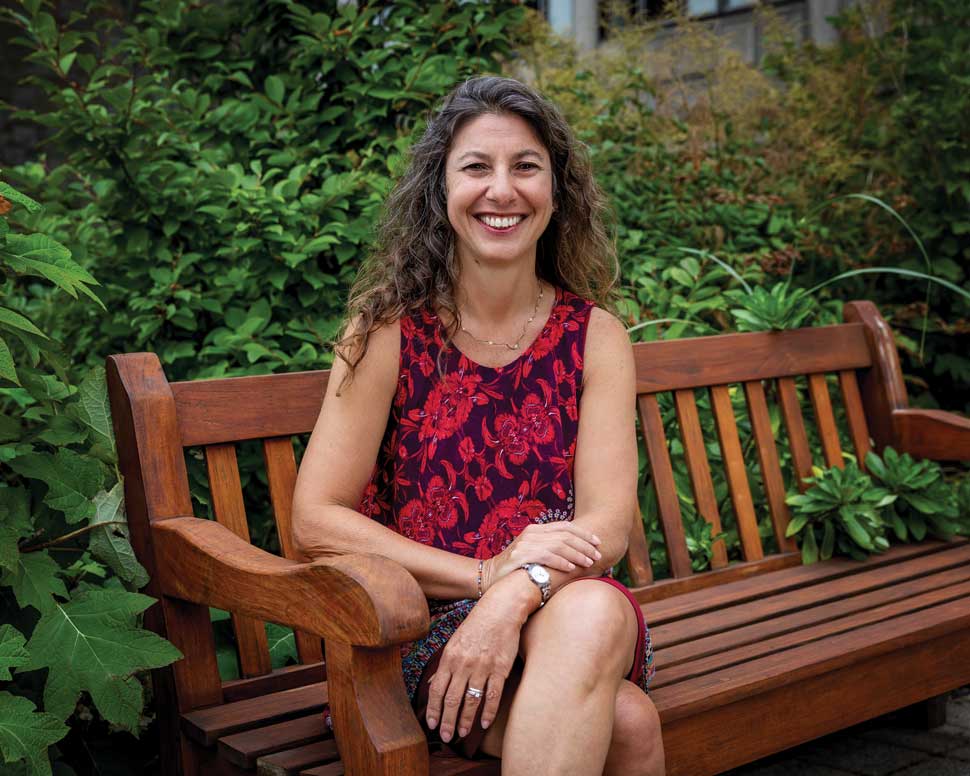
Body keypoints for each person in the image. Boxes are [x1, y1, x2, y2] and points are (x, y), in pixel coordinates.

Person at [292, 75, 665, 776]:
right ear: (441, 191)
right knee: (630, 724)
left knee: (591, 612)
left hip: (564, 606)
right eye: (475, 167)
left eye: (525, 166)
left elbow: (607, 526)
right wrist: (483, 577)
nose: (502, 190)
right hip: (420, 627)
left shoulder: (596, 337)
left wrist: (515, 591)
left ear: (556, 192)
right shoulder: (387, 333)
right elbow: (315, 519)